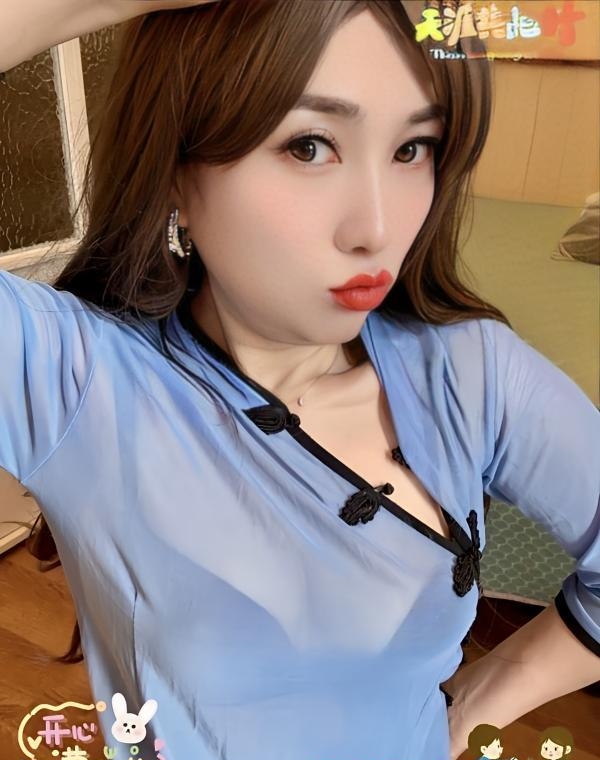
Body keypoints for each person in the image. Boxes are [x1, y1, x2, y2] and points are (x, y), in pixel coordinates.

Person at [1, 1, 599, 758]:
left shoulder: (470, 373)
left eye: (413, 148)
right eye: (309, 146)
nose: (376, 228)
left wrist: (471, 707)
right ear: (175, 169)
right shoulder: (75, 383)